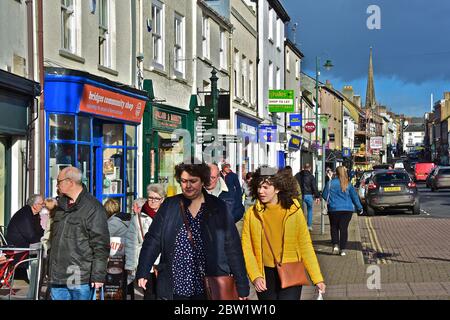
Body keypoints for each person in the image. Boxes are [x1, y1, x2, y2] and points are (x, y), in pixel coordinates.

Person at [136, 159, 249, 300]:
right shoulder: (170, 206)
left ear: (202, 181)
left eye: (193, 181)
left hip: (209, 286)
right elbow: (153, 240)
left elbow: (232, 247)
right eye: (183, 181)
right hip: (174, 287)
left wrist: (242, 284)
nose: (188, 186)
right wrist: (143, 270)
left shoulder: (218, 207)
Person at [241, 167, 326, 300]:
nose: (260, 191)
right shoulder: (252, 214)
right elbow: (247, 249)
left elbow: (305, 245)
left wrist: (317, 278)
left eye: (265, 187)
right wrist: (255, 275)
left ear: (278, 188)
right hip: (264, 274)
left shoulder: (294, 210)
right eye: (258, 187)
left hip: (291, 270)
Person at [48, 167, 110, 300]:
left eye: (59, 182)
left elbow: (101, 244)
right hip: (57, 275)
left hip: (78, 274)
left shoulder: (92, 208)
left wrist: (98, 276)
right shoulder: (61, 206)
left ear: (70, 182)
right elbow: (53, 239)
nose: (57, 185)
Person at [125, 184, 166, 300]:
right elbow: (131, 243)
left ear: (162, 200)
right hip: (145, 264)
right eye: (150, 198)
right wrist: (130, 266)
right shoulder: (137, 218)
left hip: (163, 265)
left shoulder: (167, 216)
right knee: (148, 296)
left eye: (156, 198)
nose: (153, 201)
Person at [322, 166, 363, 256]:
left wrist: (332, 200)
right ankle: (343, 250)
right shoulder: (348, 184)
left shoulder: (330, 183)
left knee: (334, 227)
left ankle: (335, 245)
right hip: (347, 210)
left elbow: (324, 195)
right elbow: (354, 197)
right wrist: (359, 208)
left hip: (333, 209)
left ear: (336, 173)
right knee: (343, 228)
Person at [5, 194, 45, 281]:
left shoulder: (34, 215)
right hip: (17, 247)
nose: (43, 206)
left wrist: (47, 236)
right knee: (43, 249)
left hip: (25, 245)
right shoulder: (24, 215)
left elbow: (39, 231)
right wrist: (43, 239)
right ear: (34, 205)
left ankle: (39, 276)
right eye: (41, 204)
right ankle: (35, 278)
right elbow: (31, 236)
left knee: (46, 247)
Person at [294, 163, 320, 231]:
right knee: (310, 210)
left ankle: (300, 225)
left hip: (300, 195)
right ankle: (309, 226)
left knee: (300, 210)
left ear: (303, 167)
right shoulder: (311, 176)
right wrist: (317, 196)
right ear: (310, 168)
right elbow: (314, 186)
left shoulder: (298, 175)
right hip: (309, 195)